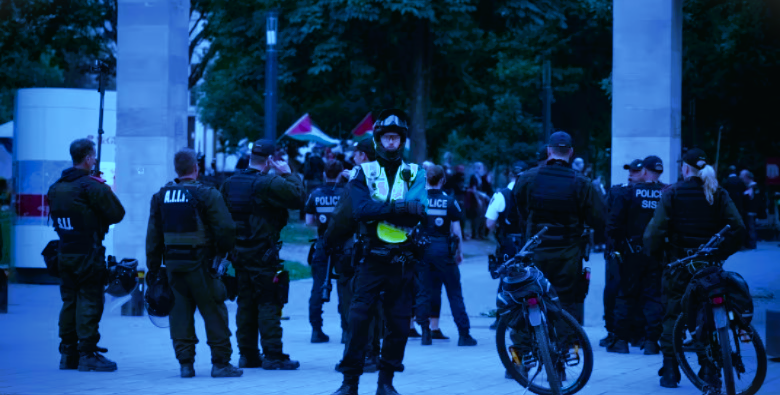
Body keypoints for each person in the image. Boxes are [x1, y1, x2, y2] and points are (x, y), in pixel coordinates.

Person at [330, 109, 427, 395]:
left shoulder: (415, 172)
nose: (391, 142)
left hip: (402, 261)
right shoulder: (364, 171)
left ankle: (386, 383)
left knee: (398, 327)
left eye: (396, 137)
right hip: (370, 259)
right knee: (358, 321)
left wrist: (381, 210)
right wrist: (397, 207)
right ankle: (349, 384)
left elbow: (417, 213)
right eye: (386, 137)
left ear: (402, 140)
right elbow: (360, 211)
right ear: (378, 140)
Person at [644, 148, 745, 389]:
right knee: (707, 316)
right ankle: (709, 369)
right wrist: (721, 253)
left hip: (679, 266)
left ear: (686, 169)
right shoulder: (718, 193)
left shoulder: (673, 193)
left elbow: (653, 234)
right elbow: (738, 228)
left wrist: (658, 258)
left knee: (672, 315)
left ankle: (670, 371)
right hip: (709, 268)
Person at [145, 148, 241, 378]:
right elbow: (226, 229)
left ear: (176, 169)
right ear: (196, 168)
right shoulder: (207, 194)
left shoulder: (161, 196)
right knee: (214, 310)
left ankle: (185, 364)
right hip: (202, 264)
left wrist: (154, 268)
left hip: (173, 265)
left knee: (179, 313)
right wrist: (224, 252)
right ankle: (221, 364)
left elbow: (153, 236)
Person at [218, 139, 303, 371]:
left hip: (239, 254)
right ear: (269, 160)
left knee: (245, 303)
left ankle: (247, 355)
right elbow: (298, 197)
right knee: (268, 302)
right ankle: (273, 355)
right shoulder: (269, 182)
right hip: (263, 254)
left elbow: (221, 218)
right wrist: (288, 173)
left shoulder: (230, 183)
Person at [48, 138, 125, 372]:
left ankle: (67, 353)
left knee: (69, 302)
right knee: (90, 301)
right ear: (89, 158)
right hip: (88, 255)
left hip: (64, 253)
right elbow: (117, 213)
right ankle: (88, 354)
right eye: (93, 156)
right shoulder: (93, 187)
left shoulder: (56, 187)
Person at [512, 131, 604, 324]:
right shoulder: (581, 183)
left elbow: (519, 211)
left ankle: (530, 346)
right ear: (570, 152)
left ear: (548, 151)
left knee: (531, 298)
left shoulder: (528, 178)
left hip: (535, 251)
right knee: (566, 302)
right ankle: (564, 346)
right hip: (568, 253)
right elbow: (598, 218)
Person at [325, 138, 383, 372]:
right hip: (382, 250)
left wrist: (326, 242)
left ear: (363, 156)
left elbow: (340, 219)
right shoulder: (386, 181)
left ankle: (361, 355)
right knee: (374, 303)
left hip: (357, 252)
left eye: (356, 153)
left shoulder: (357, 183)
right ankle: (373, 352)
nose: (353, 157)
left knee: (355, 304)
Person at [606, 155, 666, 355]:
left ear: (644, 171)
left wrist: (617, 246)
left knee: (625, 295)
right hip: (657, 253)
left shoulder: (628, 192)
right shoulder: (667, 193)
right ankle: (651, 342)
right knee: (653, 296)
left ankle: (621, 341)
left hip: (630, 253)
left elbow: (613, 224)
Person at [415, 165, 476, 346]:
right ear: (442, 180)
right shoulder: (450, 202)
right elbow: (456, 231)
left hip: (423, 250)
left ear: (426, 179)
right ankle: (464, 335)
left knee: (424, 292)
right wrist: (459, 253)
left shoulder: (418, 200)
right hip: (444, 250)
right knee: (454, 292)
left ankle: (426, 332)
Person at [600, 158, 644, 348]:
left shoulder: (650, 193)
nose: (631, 174)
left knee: (638, 293)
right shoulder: (617, 191)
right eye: (630, 171)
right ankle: (614, 331)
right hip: (618, 250)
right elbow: (605, 217)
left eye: (635, 171)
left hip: (639, 252)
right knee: (614, 291)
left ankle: (636, 332)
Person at [306, 159, 347, 343]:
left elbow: (309, 222)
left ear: (324, 174)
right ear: (340, 174)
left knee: (317, 286)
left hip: (322, 244)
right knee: (345, 287)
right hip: (344, 245)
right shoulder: (346, 193)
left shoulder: (315, 194)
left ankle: (316, 330)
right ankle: (346, 331)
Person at [485, 160, 527, 330]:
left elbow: (489, 223)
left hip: (508, 243)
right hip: (527, 242)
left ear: (511, 175)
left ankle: (502, 319)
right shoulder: (530, 194)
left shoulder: (501, 195)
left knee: (506, 281)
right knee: (528, 279)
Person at [740, 170, 760, 249]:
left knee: (751, 227)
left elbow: (754, 200)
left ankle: (752, 244)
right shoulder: (750, 186)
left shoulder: (753, 186)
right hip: (749, 211)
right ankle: (750, 243)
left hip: (751, 211)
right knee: (750, 227)